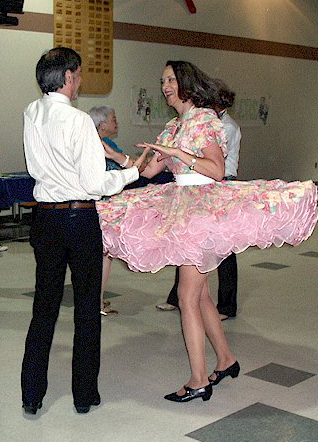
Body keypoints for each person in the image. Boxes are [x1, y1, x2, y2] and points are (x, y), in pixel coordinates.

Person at [97, 61, 318, 403]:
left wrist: (176, 152)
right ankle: (226, 360)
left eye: (170, 79)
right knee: (199, 297)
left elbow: (215, 169)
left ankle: (199, 379)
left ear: (185, 82)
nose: (165, 86)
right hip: (180, 207)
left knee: (187, 297)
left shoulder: (204, 119)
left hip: (202, 210)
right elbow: (149, 169)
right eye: (162, 81)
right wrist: (119, 156)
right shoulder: (172, 126)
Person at [21, 47, 149, 415]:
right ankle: (83, 394)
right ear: (67, 77)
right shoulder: (78, 122)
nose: (80, 82)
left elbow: (35, 166)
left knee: (43, 309)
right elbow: (94, 184)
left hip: (44, 219)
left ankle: (32, 394)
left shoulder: (31, 112)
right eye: (77, 74)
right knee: (87, 309)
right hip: (79, 220)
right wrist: (133, 172)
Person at [156, 83, 241, 320]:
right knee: (187, 249)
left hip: (218, 183)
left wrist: (180, 155)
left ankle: (227, 304)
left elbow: (217, 166)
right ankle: (179, 297)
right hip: (191, 188)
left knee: (223, 248)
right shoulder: (188, 122)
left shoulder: (221, 124)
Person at [89, 105, 133, 316]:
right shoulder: (95, 145)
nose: (117, 122)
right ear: (102, 123)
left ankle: (97, 297)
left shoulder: (108, 144)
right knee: (103, 254)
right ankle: (95, 301)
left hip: (109, 205)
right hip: (101, 206)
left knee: (105, 255)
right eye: (113, 119)